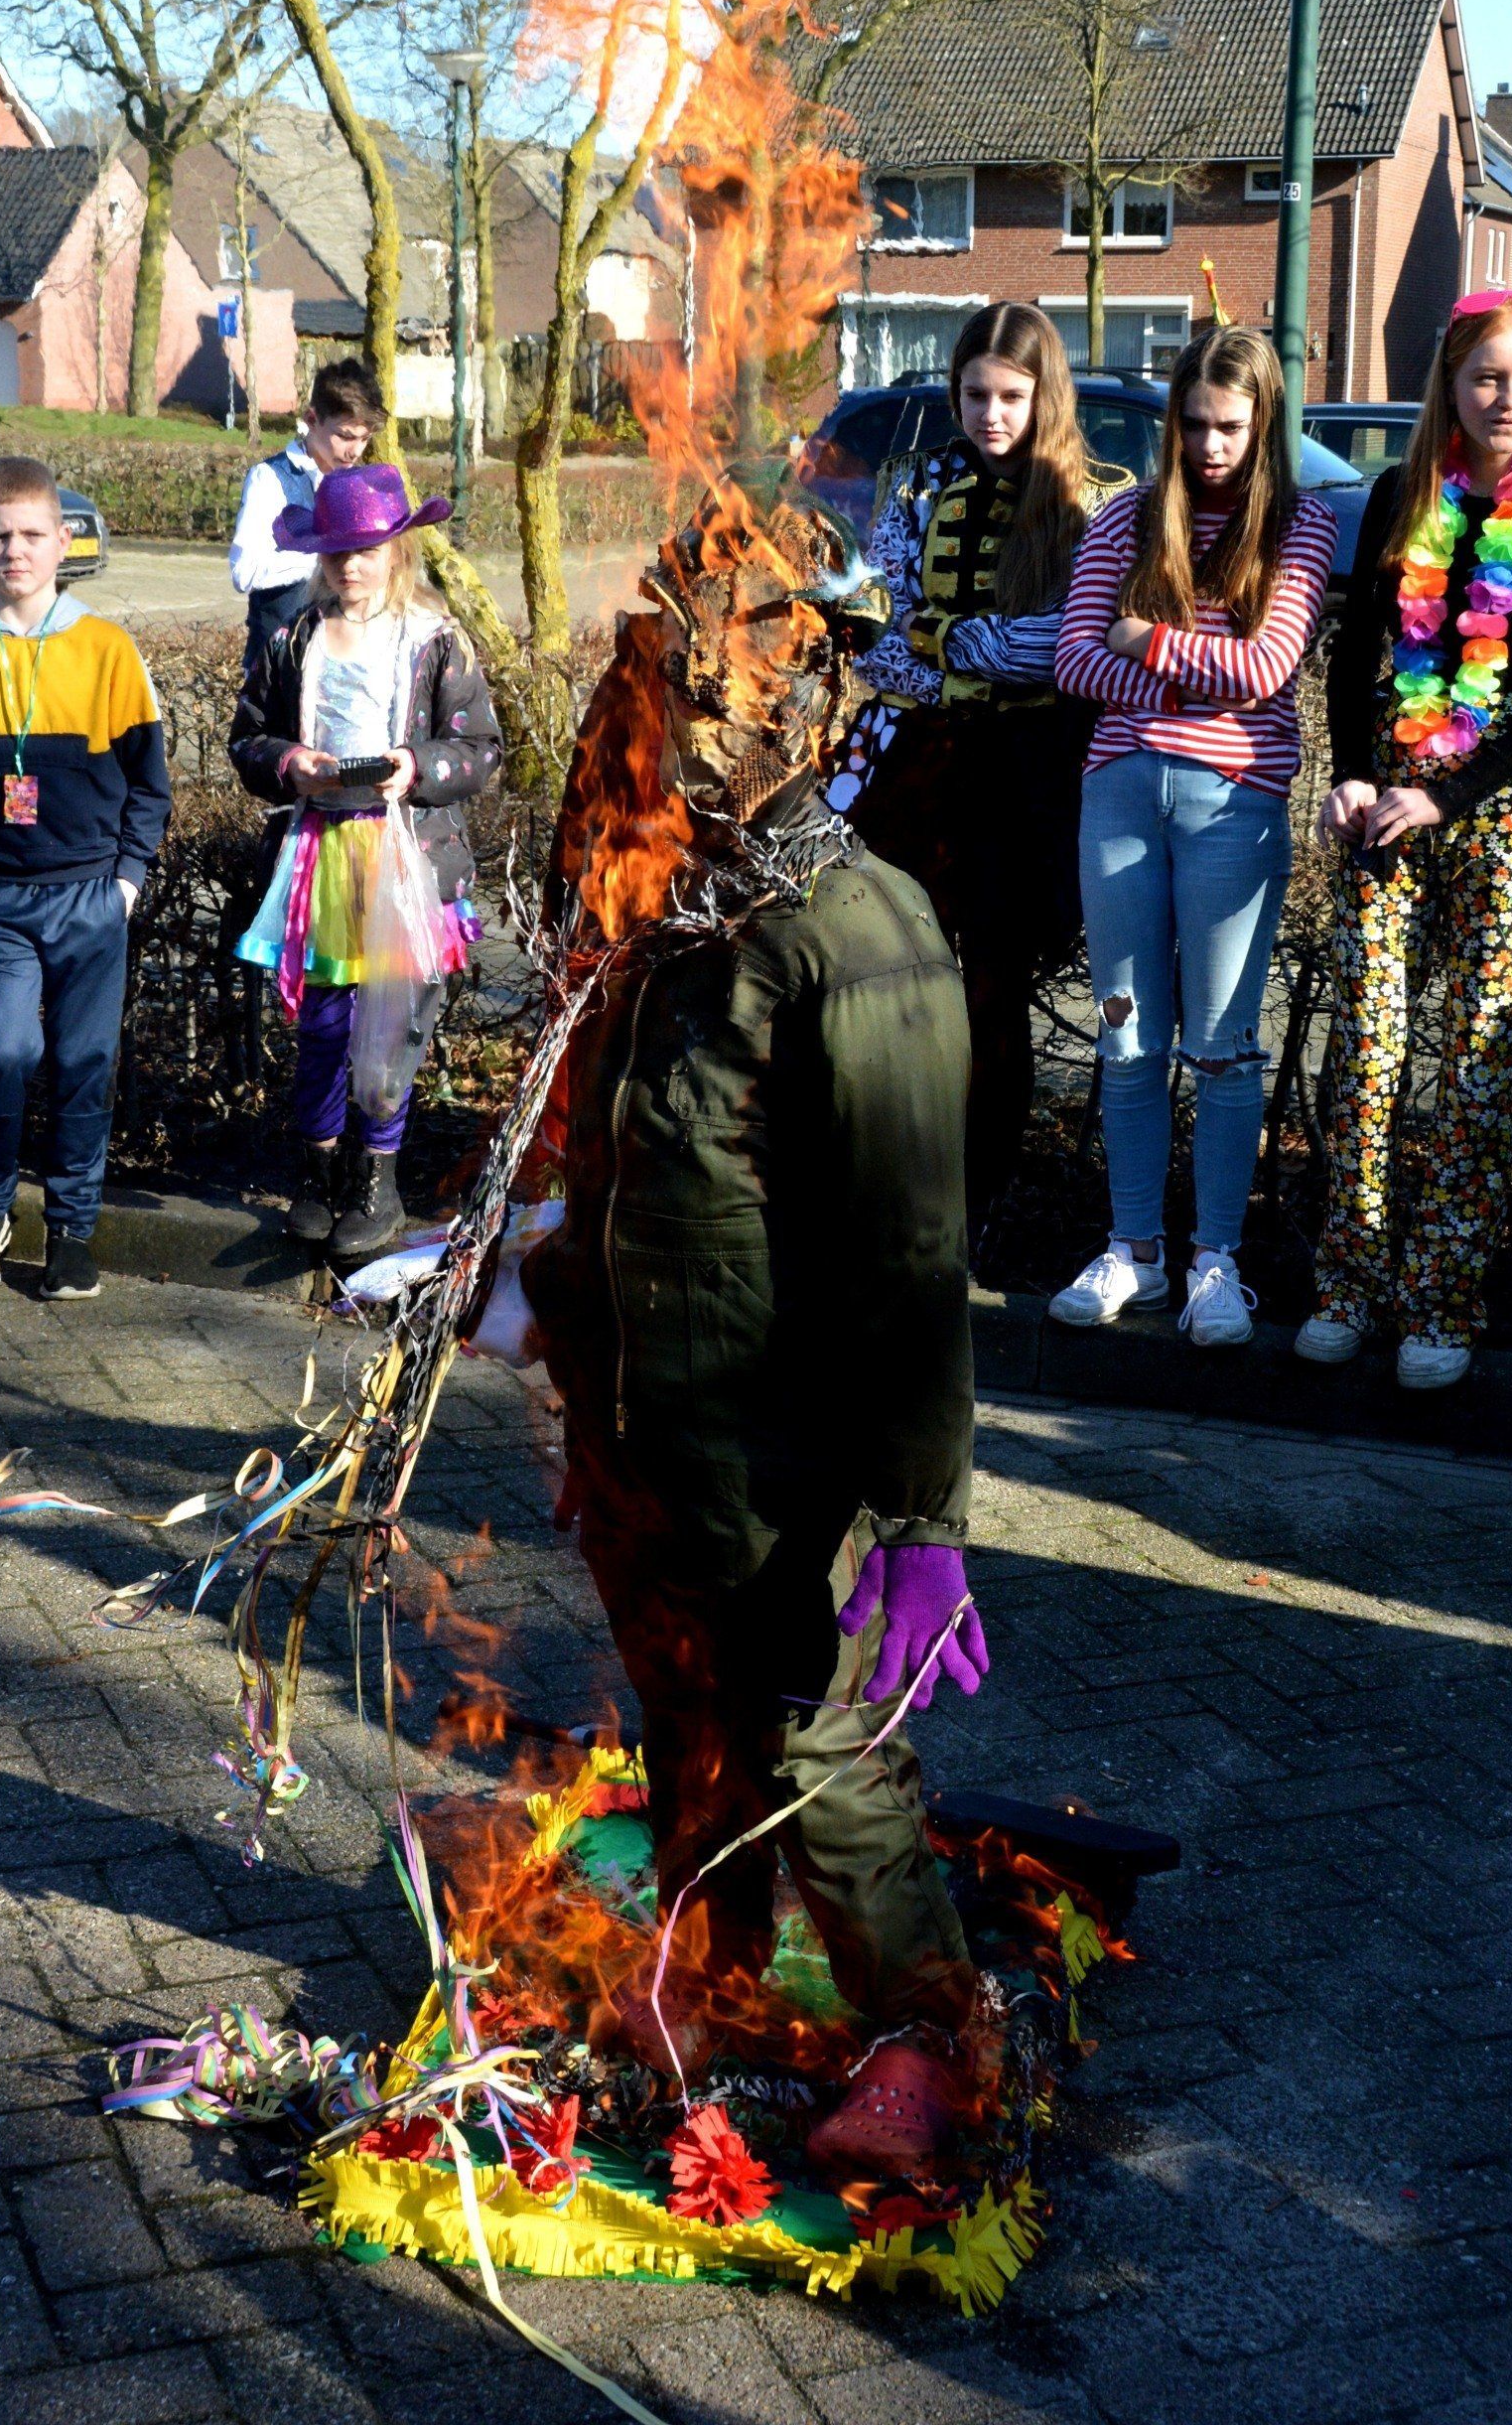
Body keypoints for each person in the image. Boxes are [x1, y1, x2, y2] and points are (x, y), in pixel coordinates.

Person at [516, 487, 989, 2172]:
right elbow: (624, 1168)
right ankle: (705, 1986)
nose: (685, 712)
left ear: (810, 688)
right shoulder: (671, 907)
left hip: (796, 1459)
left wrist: (924, 1523)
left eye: (720, 675)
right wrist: (549, 1312)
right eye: (671, 673)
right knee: (687, 1717)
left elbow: (911, 1259)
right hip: (656, 1429)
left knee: (818, 1744)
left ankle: (926, 2029)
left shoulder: (862, 937)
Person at [1302, 291, 1512, 1389]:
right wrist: (1350, 772)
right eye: (1487, 377)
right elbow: (1354, 649)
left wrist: (1456, 793)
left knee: (1478, 1059)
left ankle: (1441, 1302)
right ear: (1451, 380)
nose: (1506, 399)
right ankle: (1348, 1284)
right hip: (1389, 790)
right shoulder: (1402, 491)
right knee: (1370, 1045)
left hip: (1504, 804)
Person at [1048, 327, 1336, 1347]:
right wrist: (1186, 678)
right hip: (1121, 797)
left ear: (1263, 426)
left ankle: (1216, 1260)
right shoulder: (1125, 518)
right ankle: (1135, 1252)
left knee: (1221, 1046)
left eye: (1231, 427)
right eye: (1195, 424)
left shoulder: (1298, 525)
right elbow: (1075, 661)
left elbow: (1266, 670)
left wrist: (1147, 641)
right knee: (1126, 1037)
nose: (1210, 446)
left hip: (1235, 804)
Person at [842, 302, 1098, 1252]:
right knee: (887, 982)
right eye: (975, 394)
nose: (991, 415)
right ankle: (885, 1185)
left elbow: (1065, 648)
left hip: (1027, 776)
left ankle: (973, 1204)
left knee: (993, 994)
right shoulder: (914, 486)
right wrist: (968, 656)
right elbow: (873, 633)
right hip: (915, 766)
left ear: (1045, 395)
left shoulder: (1089, 499)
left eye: (1011, 397)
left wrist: (942, 640)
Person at [0, 457, 172, 1304]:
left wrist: (126, 882)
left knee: (84, 1060)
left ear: (64, 540)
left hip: (90, 894)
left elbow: (148, 784)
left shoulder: (106, 650)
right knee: (6, 1053)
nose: (14, 551)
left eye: (31, 534)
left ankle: (72, 1227)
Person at [230, 463, 500, 1265]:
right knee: (323, 1029)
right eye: (338, 551)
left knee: (392, 1027)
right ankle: (319, 1174)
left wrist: (417, 766)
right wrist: (292, 764)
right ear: (320, 555)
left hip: (407, 858)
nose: (352, 565)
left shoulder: (435, 640)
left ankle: (376, 1182)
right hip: (323, 859)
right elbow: (248, 738)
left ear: (398, 551)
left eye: (369, 549)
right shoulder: (294, 639)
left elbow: (481, 748)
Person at [228, 358, 386, 673]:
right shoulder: (269, 478)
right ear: (311, 419)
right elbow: (244, 572)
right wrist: (322, 556)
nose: (355, 451)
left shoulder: (360, 484)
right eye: (345, 436)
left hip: (339, 662)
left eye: (364, 438)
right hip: (276, 667)